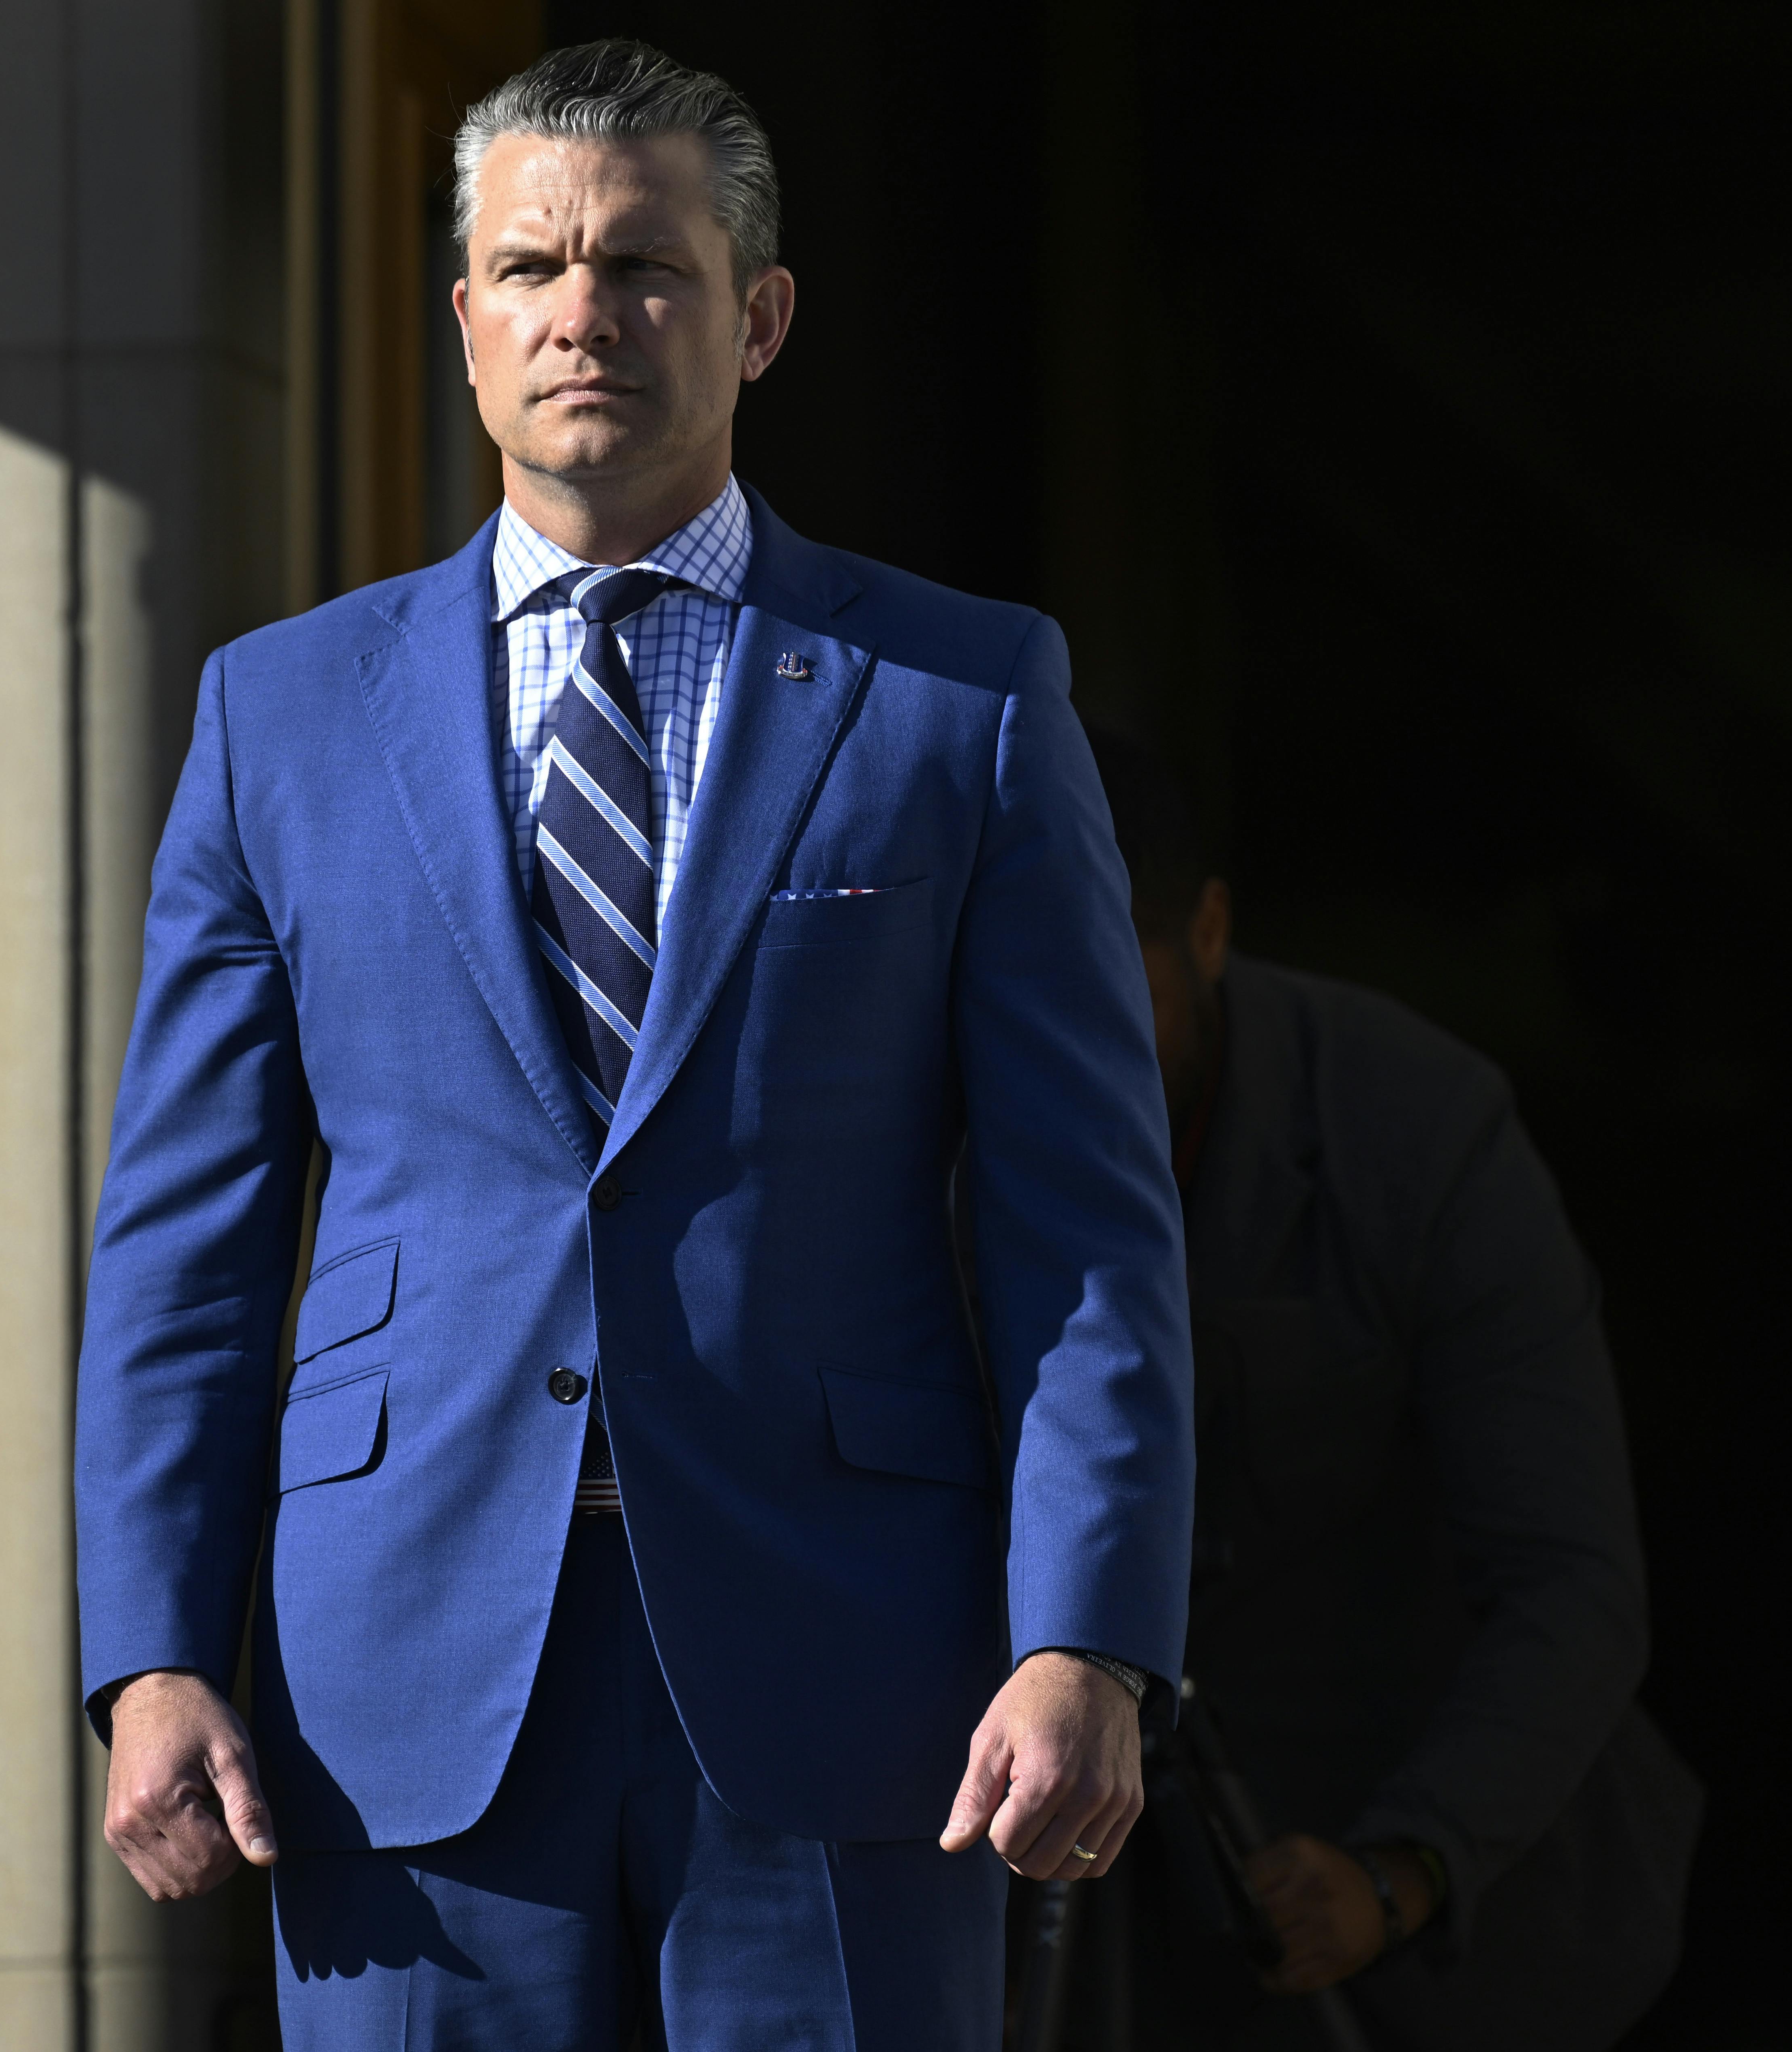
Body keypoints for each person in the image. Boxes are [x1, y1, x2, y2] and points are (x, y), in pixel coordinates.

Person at [72, 41, 1194, 2051]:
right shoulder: (282, 713)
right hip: (399, 1677)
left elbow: (1085, 1228)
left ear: (757, 319)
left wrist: (1086, 1631)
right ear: (467, 322)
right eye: (531, 269)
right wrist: (150, 1651)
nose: (584, 311)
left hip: (850, 1675)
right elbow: (187, 1242)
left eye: (647, 268)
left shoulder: (961, 697)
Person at [1084, 725, 1699, 2050]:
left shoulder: (1414, 1128)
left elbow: (1570, 1578)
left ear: (1206, 932)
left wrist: (1404, 1866)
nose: (1070, 1062)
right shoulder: (911, 1100)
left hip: (1430, 1881)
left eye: (1106, 999)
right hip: (1064, 1899)